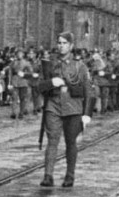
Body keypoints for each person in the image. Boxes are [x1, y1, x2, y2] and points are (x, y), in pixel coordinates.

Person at [34, 32, 92, 188]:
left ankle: (69, 175)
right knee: (52, 140)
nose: (61, 45)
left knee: (70, 142)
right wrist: (52, 81)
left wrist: (87, 114)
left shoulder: (80, 66)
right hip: (53, 105)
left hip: (73, 108)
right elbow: (39, 86)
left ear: (71, 46)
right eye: (59, 42)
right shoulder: (49, 64)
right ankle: (48, 175)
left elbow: (88, 90)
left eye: (64, 43)